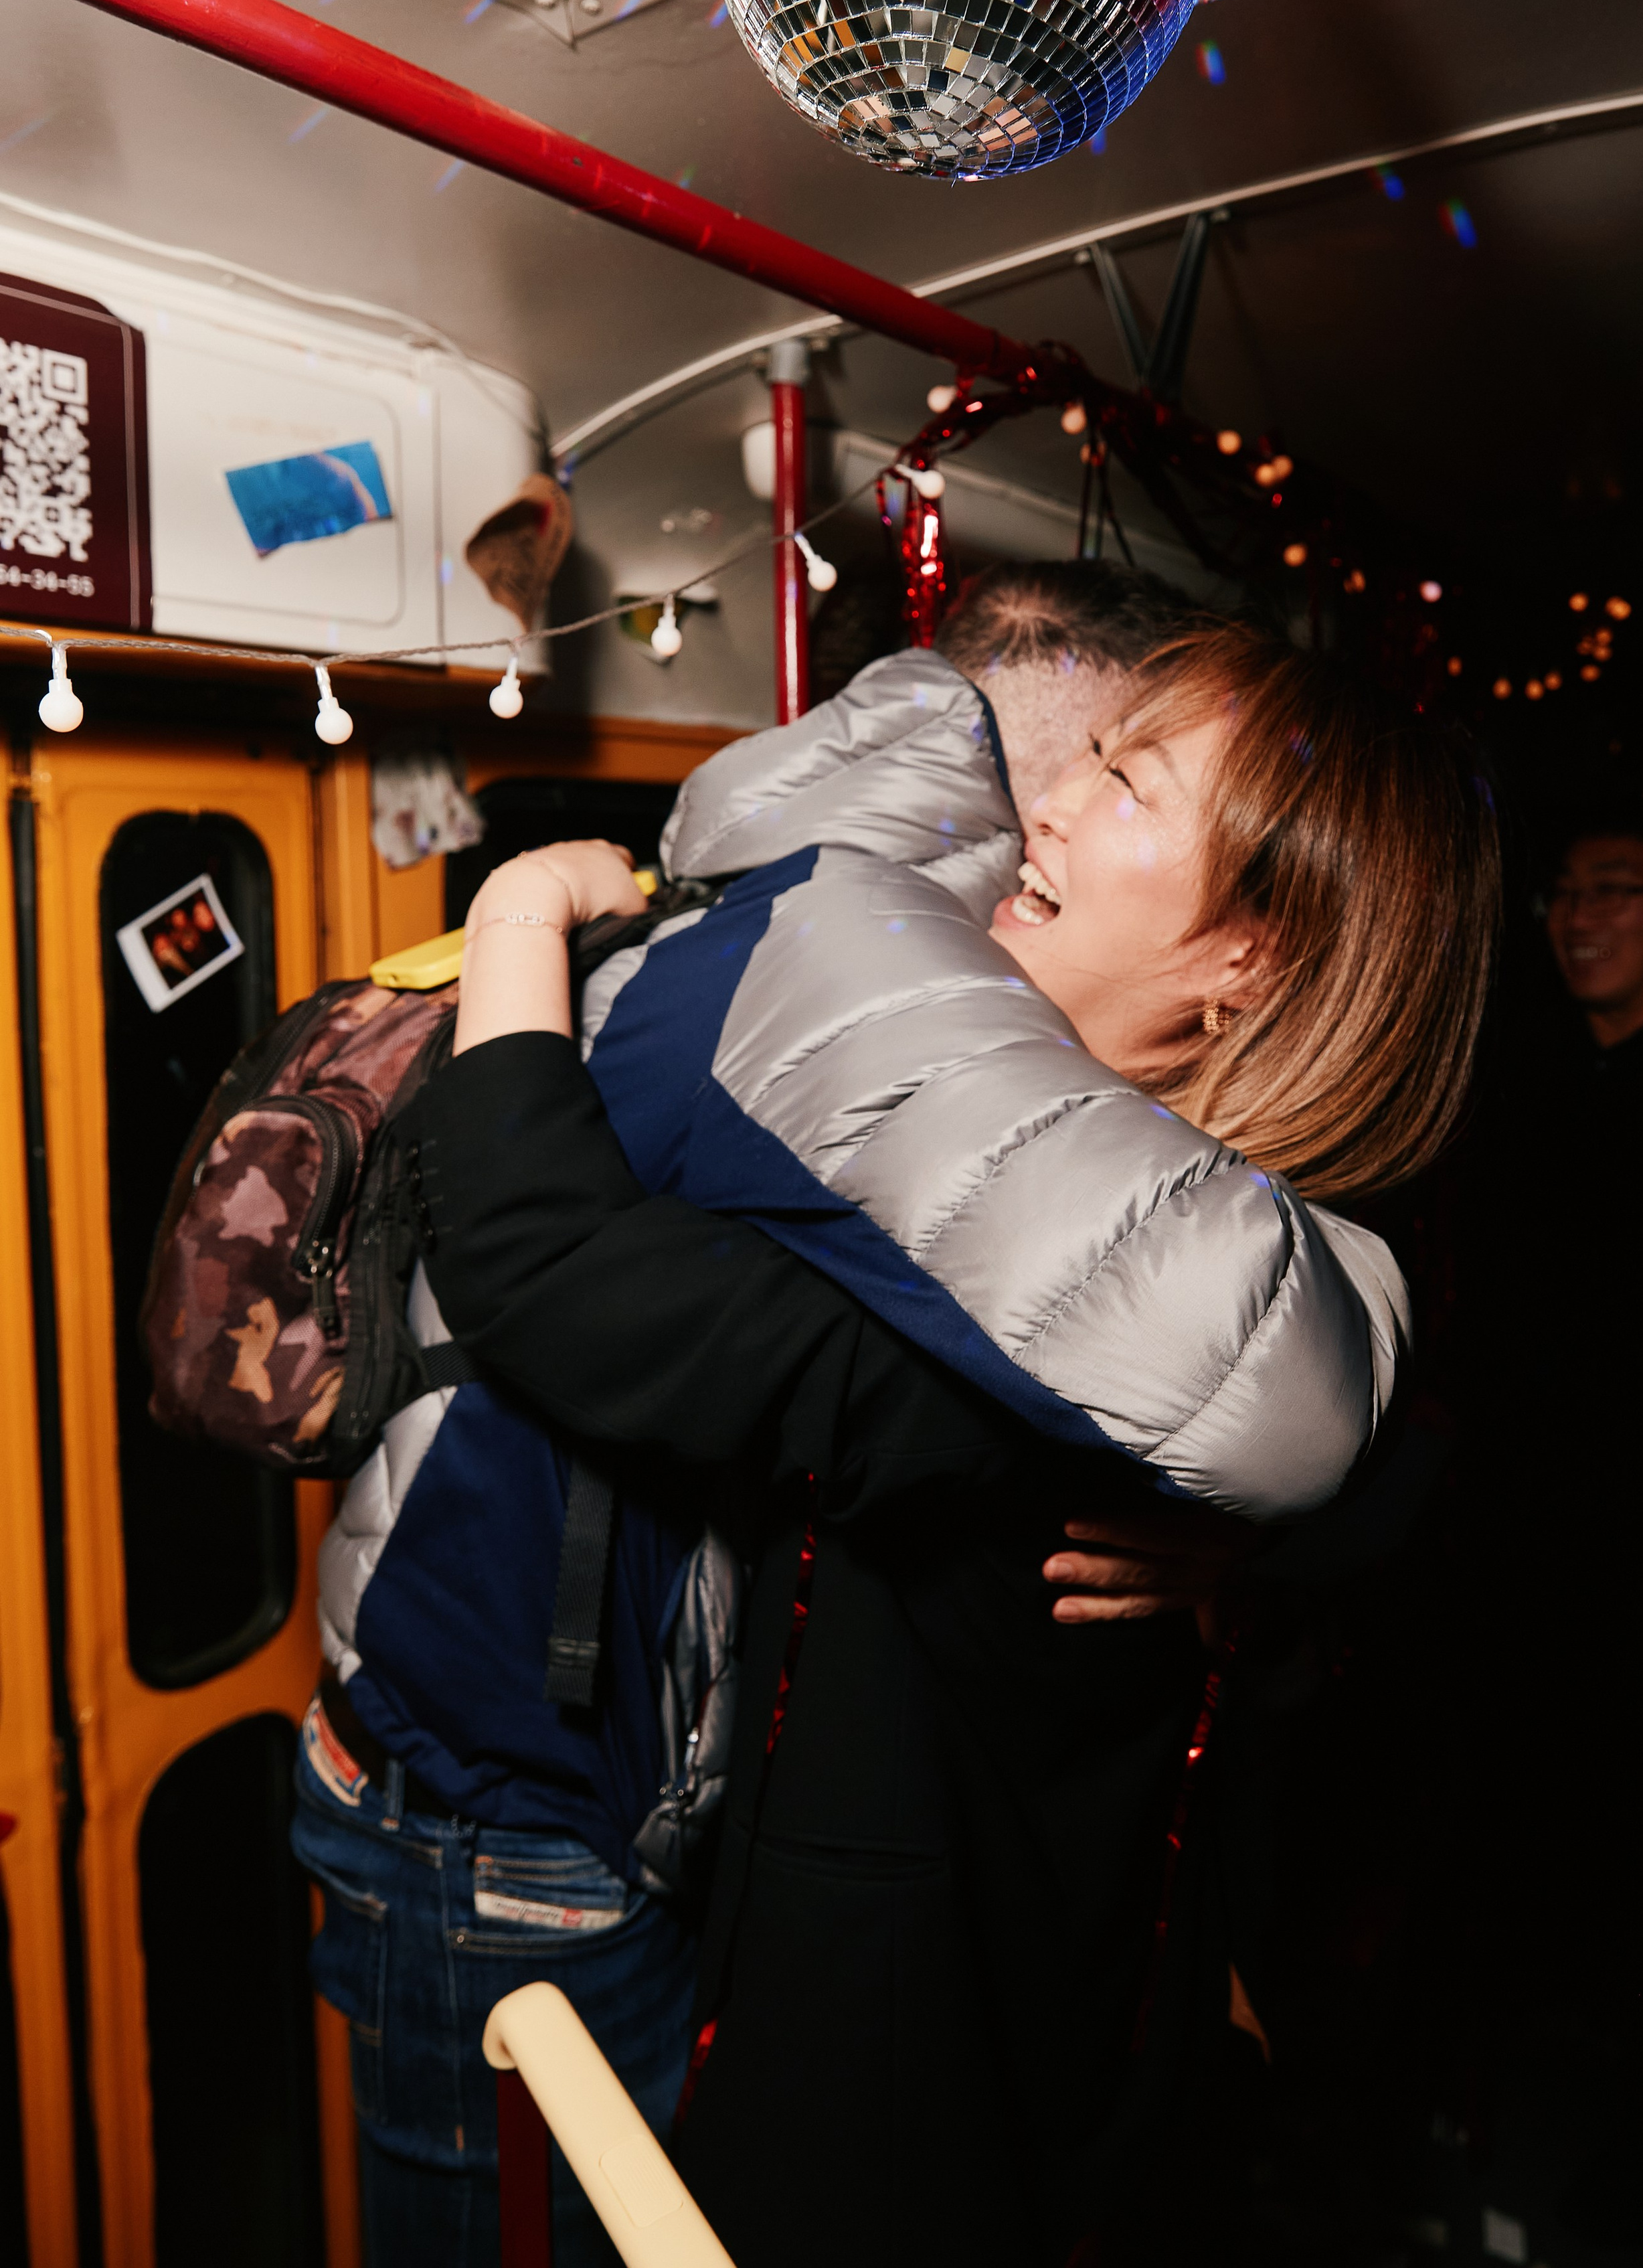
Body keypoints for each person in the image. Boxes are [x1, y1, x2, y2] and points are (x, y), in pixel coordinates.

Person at [404, 618, 1500, 2267]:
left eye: (1126, 786)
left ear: (1248, 958)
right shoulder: (1241, 1254)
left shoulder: (1047, 1299)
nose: (1046, 803)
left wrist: (514, 912)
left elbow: (542, 1262)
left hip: (908, 2096)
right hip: (1096, 2058)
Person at [288, 560, 1204, 2266]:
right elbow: (551, 1270)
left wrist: (1234, 1541)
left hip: (570, 1796)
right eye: (1110, 769)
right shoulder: (832, 1006)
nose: (1086, 818)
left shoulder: (836, 957)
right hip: (494, 1817)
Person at [1439, 801, 1643, 2243]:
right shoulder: (1527, 1079)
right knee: (1498, 1845)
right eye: (1564, 891)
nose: (1579, 915)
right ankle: (1478, 2136)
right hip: (1500, 1537)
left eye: (1616, 888)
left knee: (1641, 1867)